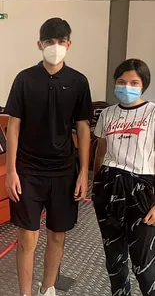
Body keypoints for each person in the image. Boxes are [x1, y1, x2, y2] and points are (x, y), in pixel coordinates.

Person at [5, 18, 92, 296]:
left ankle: (48, 288)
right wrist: (11, 171)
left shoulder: (78, 81)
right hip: (28, 171)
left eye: (61, 42)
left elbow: (83, 128)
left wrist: (82, 173)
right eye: (49, 42)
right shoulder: (25, 79)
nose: (55, 47)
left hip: (64, 171)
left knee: (57, 234)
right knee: (27, 237)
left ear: (69, 44)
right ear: (39, 44)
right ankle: (25, 293)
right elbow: (13, 125)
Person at [92, 59, 155, 296]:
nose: (126, 86)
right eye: (121, 82)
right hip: (109, 188)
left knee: (144, 263)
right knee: (114, 259)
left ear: (143, 85)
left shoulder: (153, 112)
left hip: (142, 190)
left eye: (133, 82)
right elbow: (100, 151)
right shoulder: (107, 114)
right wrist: (98, 185)